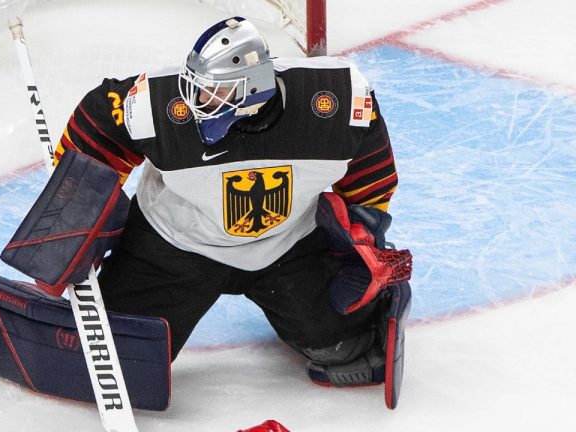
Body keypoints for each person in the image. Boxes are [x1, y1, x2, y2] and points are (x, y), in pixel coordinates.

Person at [53, 17, 411, 394]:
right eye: (195, 86)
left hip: (287, 246)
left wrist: (364, 232)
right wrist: (73, 206)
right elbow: (99, 120)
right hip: (173, 247)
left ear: (251, 90)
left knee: (342, 346)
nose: (195, 101)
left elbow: (373, 172)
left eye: (211, 92)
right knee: (114, 357)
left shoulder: (335, 101)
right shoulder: (157, 105)